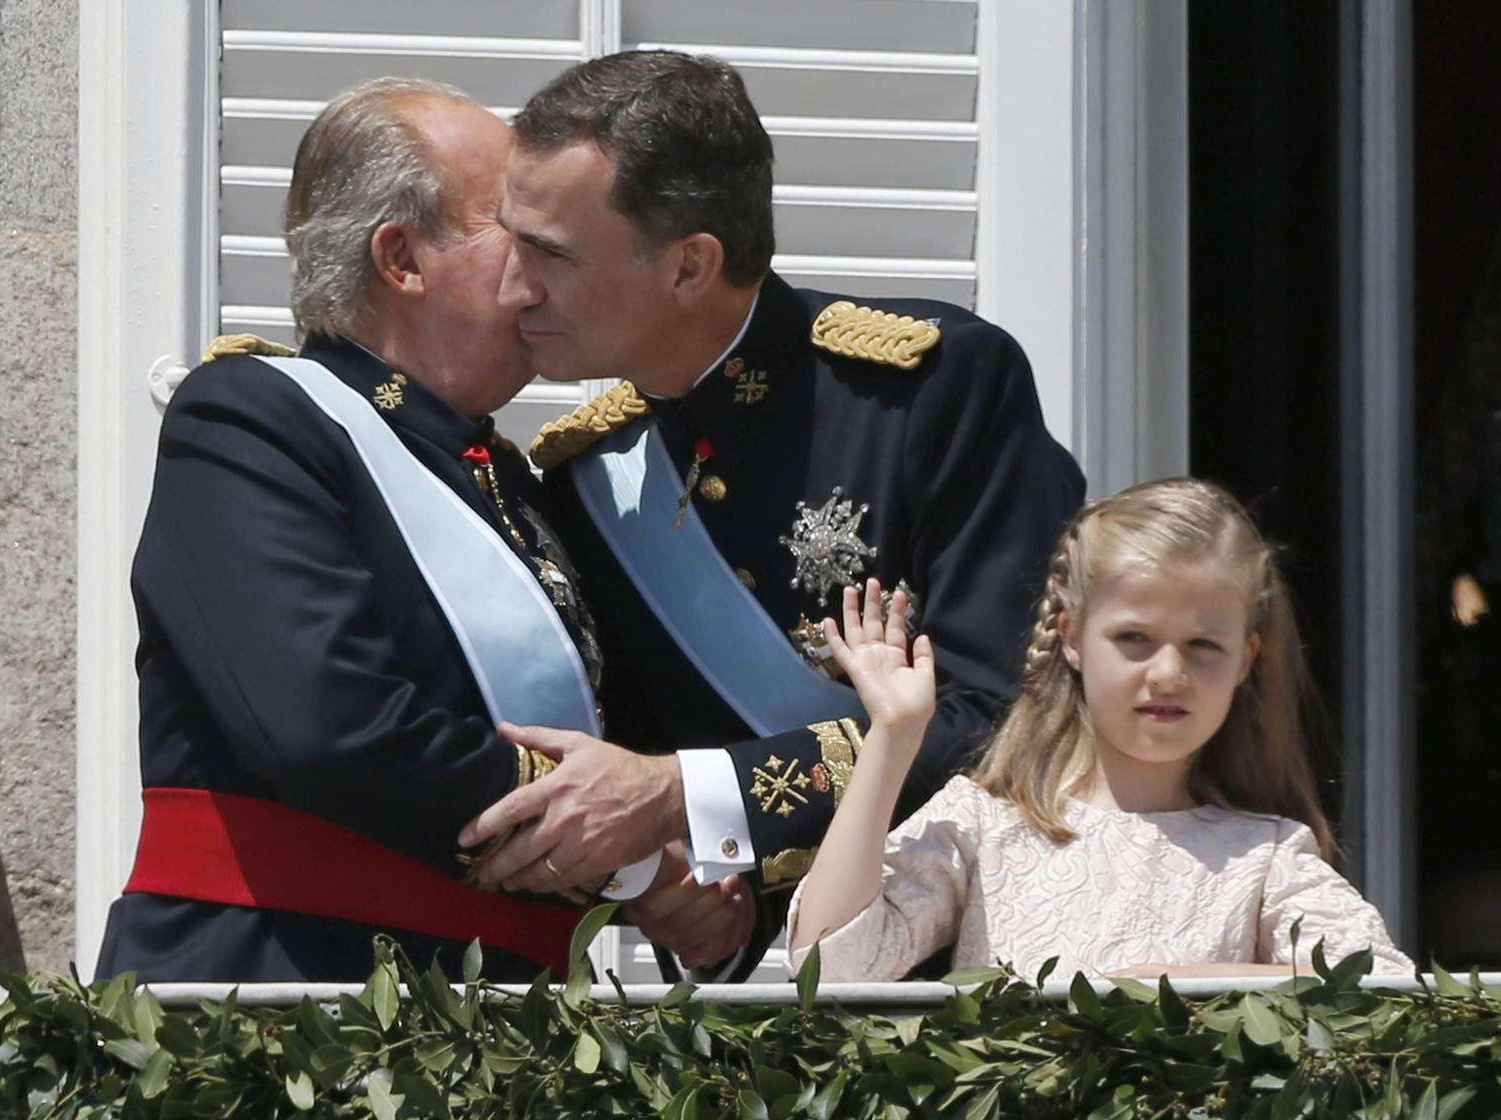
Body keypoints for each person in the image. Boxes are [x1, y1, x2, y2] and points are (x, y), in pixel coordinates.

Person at [94, 76, 749, 983]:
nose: (548, 265)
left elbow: (616, 736)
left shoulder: (511, 481)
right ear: (401, 259)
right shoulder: (252, 421)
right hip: (287, 1006)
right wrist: (626, 852)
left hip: (514, 1018)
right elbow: (331, 728)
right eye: (515, 233)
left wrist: (680, 843)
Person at [458, 50, 1086, 975]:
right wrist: (681, 888)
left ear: (689, 266)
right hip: (750, 1015)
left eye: (549, 252)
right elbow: (625, 773)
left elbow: (1003, 715)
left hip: (963, 978)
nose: (514, 287)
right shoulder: (590, 474)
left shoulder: (933, 390)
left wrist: (684, 796)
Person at [786, 479, 1415, 981]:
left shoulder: (1265, 855)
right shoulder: (983, 825)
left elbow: (1379, 987)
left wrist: (1183, 985)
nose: (1168, 673)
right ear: (1073, 638)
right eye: (1134, 639)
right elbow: (830, 966)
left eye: (1203, 645)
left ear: (1246, 660)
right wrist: (893, 736)